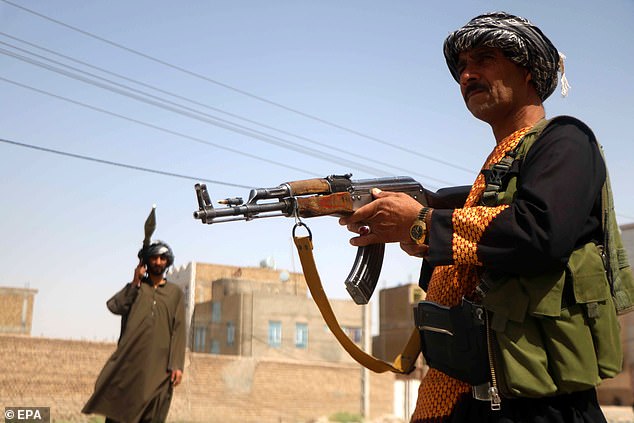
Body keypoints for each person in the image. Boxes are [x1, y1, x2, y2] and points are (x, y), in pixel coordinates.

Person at [339, 11, 622, 423]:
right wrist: (387, 218)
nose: (467, 75)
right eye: (461, 68)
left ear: (528, 70)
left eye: (484, 59)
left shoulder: (566, 141)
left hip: (539, 408)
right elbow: (466, 236)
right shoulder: (488, 181)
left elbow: (538, 232)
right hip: (471, 398)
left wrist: (420, 222)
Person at [83, 240, 186, 423]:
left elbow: (178, 329)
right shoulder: (136, 289)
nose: (158, 262)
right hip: (130, 361)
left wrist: (176, 364)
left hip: (159, 366)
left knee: (154, 409)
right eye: (154, 257)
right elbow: (115, 307)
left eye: (163, 258)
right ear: (147, 262)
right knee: (120, 407)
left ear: (168, 262)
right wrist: (135, 281)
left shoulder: (175, 293)